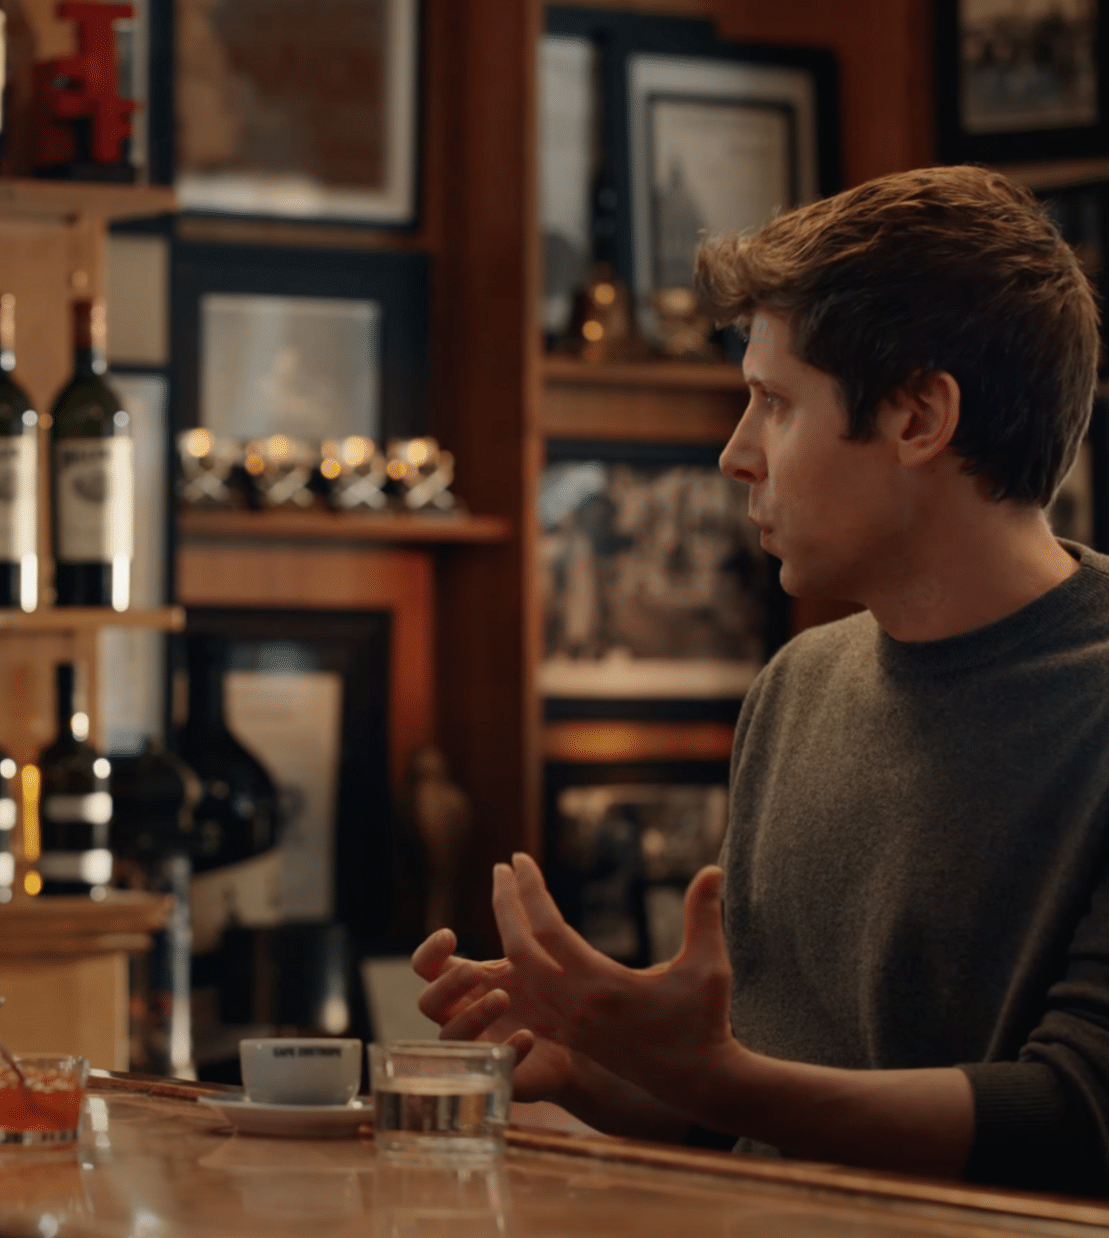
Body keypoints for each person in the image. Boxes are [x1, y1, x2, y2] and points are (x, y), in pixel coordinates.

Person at [414, 165, 1109, 1194]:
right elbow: (771, 1113)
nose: (737, 454)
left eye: (773, 403)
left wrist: (718, 1079)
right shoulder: (797, 686)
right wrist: (610, 1072)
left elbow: (1075, 1117)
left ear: (919, 417)